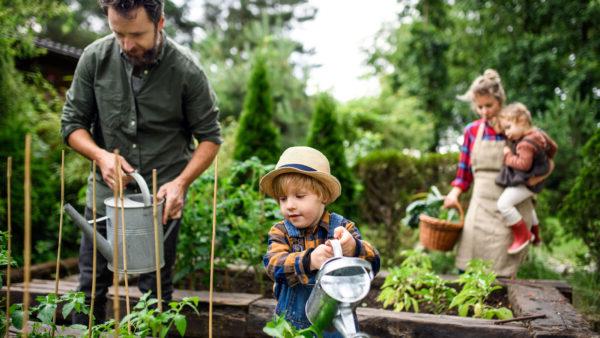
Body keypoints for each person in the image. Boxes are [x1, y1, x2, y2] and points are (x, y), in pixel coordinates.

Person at [60, 0, 221, 324]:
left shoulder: (186, 71)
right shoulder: (95, 58)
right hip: (106, 194)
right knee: (90, 285)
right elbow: (71, 125)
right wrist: (101, 155)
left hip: (160, 199)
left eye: (136, 34)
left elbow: (210, 137)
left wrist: (180, 183)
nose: (127, 44)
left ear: (160, 23)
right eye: (118, 34)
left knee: (155, 291)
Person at [261, 146, 380, 334]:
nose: (290, 205)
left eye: (299, 196)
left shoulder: (342, 229)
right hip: (291, 329)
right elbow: (273, 265)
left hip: (334, 327)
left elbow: (372, 266)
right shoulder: (281, 231)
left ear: (323, 196)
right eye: (283, 199)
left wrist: (351, 248)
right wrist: (309, 260)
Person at [443, 69, 537, 277]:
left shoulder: (514, 129)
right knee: (467, 264)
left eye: (489, 105)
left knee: (504, 271)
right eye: (480, 107)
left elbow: (536, 159)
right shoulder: (472, 131)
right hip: (480, 206)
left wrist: (539, 178)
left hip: (510, 207)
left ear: (500, 102)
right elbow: (464, 171)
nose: (484, 111)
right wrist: (454, 194)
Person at [495, 103, 557, 253]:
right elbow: (554, 147)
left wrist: (508, 156)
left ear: (522, 121)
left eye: (508, 127)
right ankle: (536, 234)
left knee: (503, 204)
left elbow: (523, 165)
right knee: (528, 208)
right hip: (535, 181)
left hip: (527, 182)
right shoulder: (539, 134)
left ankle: (523, 236)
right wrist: (545, 163)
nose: (507, 133)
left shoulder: (525, 144)